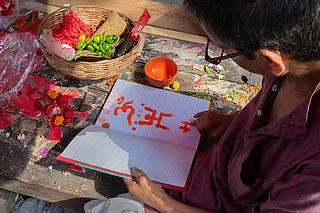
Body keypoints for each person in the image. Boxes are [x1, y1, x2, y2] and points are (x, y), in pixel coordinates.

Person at [123, 0, 320, 212]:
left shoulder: (314, 174)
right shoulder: (296, 63)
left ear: (271, 61)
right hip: (209, 166)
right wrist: (236, 120)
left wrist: (161, 202)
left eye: (223, 49)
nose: (218, 52)